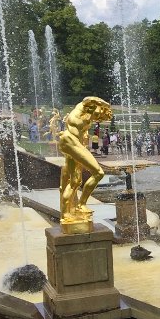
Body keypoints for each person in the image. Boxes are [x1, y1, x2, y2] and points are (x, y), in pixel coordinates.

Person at [57, 96, 113, 226]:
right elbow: (88, 98)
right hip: (71, 143)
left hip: (71, 143)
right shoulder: (82, 107)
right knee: (98, 173)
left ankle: (65, 213)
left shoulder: (87, 117)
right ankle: (81, 204)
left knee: (75, 181)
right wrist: (106, 104)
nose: (99, 118)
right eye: (101, 115)